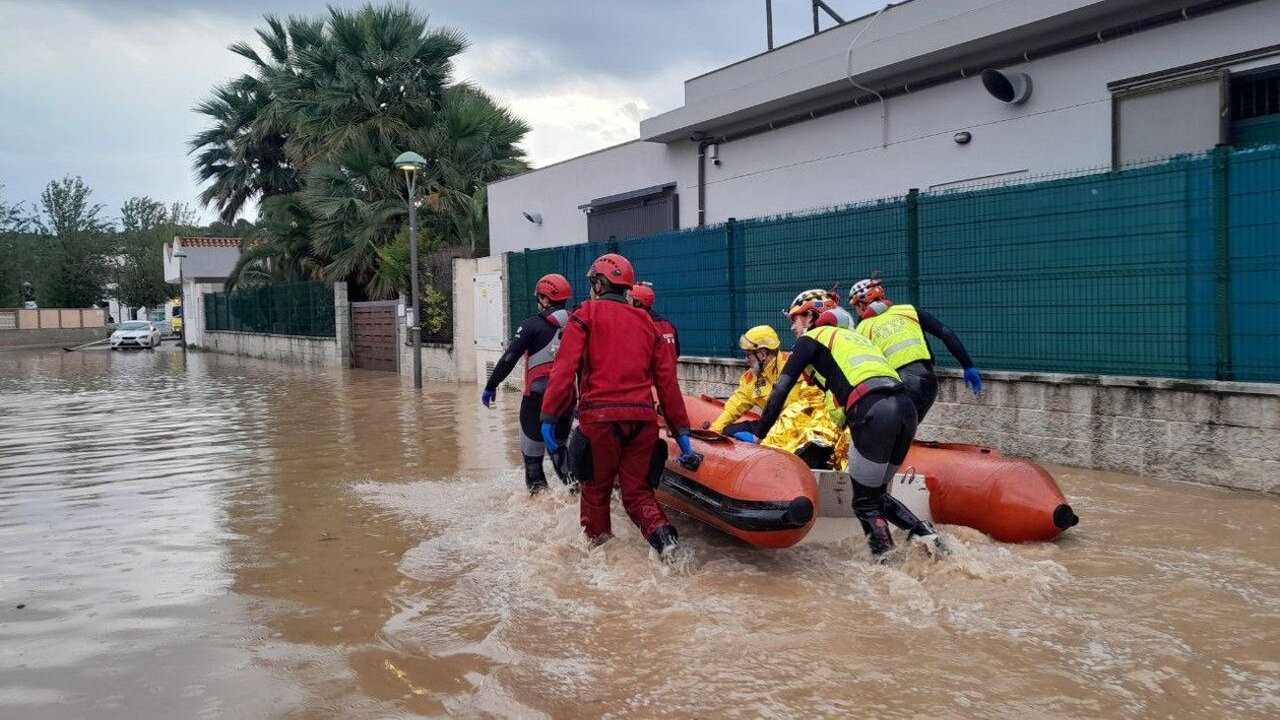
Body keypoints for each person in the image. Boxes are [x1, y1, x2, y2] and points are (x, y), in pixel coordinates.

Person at [745, 288, 948, 560]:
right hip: (905, 409)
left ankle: (887, 566)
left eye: (795, 319)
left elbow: (780, 390)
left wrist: (759, 436)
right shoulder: (856, 338)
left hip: (874, 411)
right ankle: (929, 537)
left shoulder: (812, 339)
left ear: (811, 316)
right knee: (876, 496)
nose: (793, 327)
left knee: (864, 503)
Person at [540, 253, 695, 560]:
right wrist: (682, 434)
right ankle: (665, 541)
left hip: (600, 420)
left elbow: (563, 369)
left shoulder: (585, 315)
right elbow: (667, 384)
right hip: (643, 422)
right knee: (637, 492)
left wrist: (548, 416)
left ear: (599, 283)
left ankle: (602, 557)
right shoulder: (648, 324)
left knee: (595, 490)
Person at [481, 273, 576, 495]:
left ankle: (540, 511)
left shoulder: (532, 325)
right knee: (560, 452)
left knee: (533, 463)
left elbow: (509, 358)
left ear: (544, 299)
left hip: (536, 400)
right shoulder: (578, 324)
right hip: (567, 398)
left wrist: (491, 386)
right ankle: (577, 500)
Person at [848, 276, 982, 421]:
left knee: (886, 436)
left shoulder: (862, 329)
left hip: (898, 386)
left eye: (856, 306)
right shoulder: (908, 311)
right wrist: (968, 366)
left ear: (862, 303)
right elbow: (945, 334)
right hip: (928, 383)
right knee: (903, 434)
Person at [707, 325, 839, 468]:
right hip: (770, 425)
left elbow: (813, 405)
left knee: (808, 447)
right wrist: (714, 431)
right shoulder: (751, 379)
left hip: (805, 425)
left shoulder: (796, 365)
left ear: (762, 354)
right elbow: (733, 407)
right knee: (728, 432)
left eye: (748, 354)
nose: (746, 360)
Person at [628, 282, 679, 361]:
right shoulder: (668, 325)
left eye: (630, 299)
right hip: (670, 372)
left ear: (637, 303)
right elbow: (676, 352)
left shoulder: (641, 325)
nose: (627, 303)